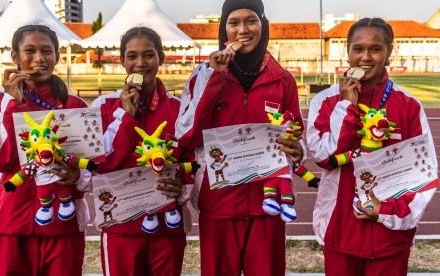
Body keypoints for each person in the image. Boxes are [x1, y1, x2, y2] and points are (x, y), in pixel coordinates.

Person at [175, 0, 304, 275]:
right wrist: (215, 78)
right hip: (219, 203)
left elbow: (296, 134)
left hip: (267, 207)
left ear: (262, 25)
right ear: (224, 29)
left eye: (251, 21)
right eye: (234, 22)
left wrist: (297, 150)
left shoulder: (283, 80)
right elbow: (186, 135)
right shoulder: (202, 75)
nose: (243, 29)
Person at [306, 18, 437, 275]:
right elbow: (323, 157)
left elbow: (424, 172)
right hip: (341, 232)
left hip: (390, 238)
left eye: (375, 49)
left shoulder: (408, 105)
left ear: (389, 51)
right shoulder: (325, 101)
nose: (365, 57)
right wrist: (346, 106)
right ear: (348, 50)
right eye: (358, 48)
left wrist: (386, 211)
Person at [0, 24, 91, 275]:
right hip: (11, 223)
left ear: (57, 57)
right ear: (15, 57)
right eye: (30, 50)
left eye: (47, 51)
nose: (39, 58)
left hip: (63, 224)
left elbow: (91, 169)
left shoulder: (74, 105)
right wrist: (13, 104)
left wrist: (78, 177)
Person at [91, 26, 194, 276]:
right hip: (121, 228)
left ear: (161, 58)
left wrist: (182, 189)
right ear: (122, 60)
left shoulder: (180, 108)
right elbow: (99, 164)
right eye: (132, 56)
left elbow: (191, 160)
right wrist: (125, 116)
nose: (140, 63)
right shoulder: (104, 106)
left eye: (148, 55)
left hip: (168, 228)